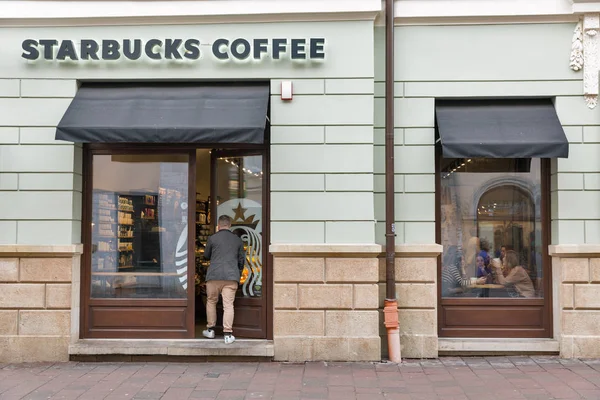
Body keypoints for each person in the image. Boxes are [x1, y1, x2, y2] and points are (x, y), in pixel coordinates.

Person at [202, 215, 246, 344]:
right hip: (231, 277)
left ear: (218, 225)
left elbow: (206, 256)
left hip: (213, 276)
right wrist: (237, 274)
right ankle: (227, 334)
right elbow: (241, 260)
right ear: (230, 225)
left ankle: (210, 330)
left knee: (211, 301)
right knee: (228, 305)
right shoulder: (237, 240)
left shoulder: (212, 238)